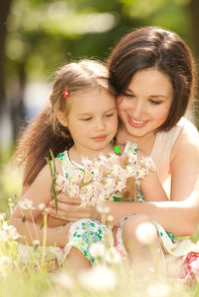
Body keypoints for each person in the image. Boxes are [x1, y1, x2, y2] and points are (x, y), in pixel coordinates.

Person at [43, 27, 199, 285]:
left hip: (149, 247)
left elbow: (187, 220)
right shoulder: (88, 122)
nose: (138, 112)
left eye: (155, 101)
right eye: (128, 95)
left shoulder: (180, 136)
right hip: (90, 253)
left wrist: (103, 210)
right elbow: (37, 213)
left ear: (177, 99)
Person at [10, 59, 166, 271]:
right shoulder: (59, 169)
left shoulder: (133, 160)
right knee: (84, 230)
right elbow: (16, 224)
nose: (100, 126)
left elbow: (166, 217)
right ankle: (75, 294)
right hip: (72, 257)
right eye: (87, 118)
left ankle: (144, 292)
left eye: (108, 115)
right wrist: (63, 235)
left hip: (128, 256)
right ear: (64, 118)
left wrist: (129, 200)